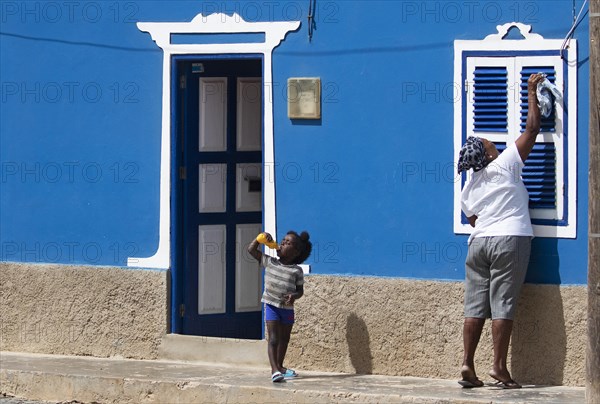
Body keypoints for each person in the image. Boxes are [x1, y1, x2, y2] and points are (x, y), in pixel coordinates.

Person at [456, 73, 545, 389]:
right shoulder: (505, 163)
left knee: (474, 306)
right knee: (503, 302)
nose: (490, 140)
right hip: (510, 239)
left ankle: (467, 362)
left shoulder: (470, 187)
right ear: (488, 152)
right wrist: (531, 90)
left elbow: (473, 221)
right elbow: (532, 129)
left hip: (478, 245)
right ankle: (498, 368)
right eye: (486, 141)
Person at [248, 230, 312, 383]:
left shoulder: (296, 271)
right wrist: (259, 239)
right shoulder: (270, 261)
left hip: (287, 309)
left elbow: (300, 290)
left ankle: (280, 366)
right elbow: (251, 250)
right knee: (274, 339)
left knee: (285, 338)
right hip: (271, 305)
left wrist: (294, 296)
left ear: (295, 253)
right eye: (283, 240)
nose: (282, 243)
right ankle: (274, 370)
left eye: (287, 243)